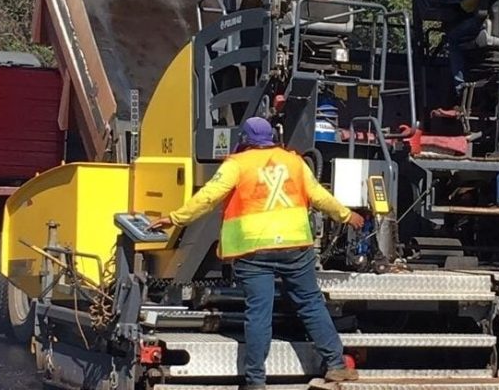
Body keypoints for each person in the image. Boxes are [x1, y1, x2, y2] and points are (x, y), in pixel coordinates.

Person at [148, 117, 365, 390]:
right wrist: (347, 216)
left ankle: (255, 381)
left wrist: (175, 218)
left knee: (259, 313)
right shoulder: (294, 161)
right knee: (311, 304)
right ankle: (336, 366)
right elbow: (319, 197)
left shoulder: (237, 165)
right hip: (294, 247)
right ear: (272, 136)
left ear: (245, 139)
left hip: (253, 250)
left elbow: (208, 197)